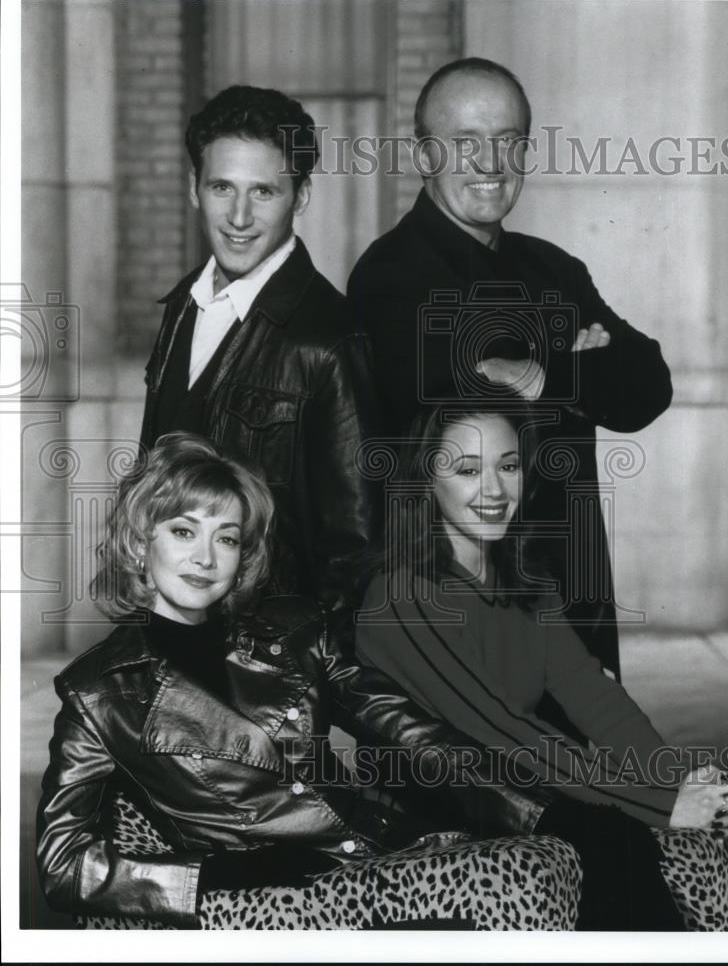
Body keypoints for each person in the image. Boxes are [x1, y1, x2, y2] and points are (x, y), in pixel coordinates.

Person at [36, 433, 600, 931]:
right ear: (141, 543)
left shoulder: (297, 630)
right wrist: (208, 876)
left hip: (376, 857)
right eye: (184, 531)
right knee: (522, 870)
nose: (205, 557)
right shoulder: (96, 693)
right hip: (272, 900)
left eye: (227, 538)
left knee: (555, 852)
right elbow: (62, 863)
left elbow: (412, 734)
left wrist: (535, 810)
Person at [355, 392, 728, 930]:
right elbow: (504, 733)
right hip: (437, 816)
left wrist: (683, 781)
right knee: (613, 839)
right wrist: (665, 804)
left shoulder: (525, 579)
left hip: (522, 791)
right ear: (425, 480)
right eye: (468, 470)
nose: (494, 490)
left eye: (508, 466)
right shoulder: (401, 595)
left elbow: (593, 695)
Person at [348, 57, 673, 690]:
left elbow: (647, 387)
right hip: (454, 622)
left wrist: (542, 374)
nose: (490, 162)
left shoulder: (555, 269)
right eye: (465, 142)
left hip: (571, 600)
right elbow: (462, 391)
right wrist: (575, 363)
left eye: (508, 140)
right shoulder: (387, 276)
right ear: (423, 155)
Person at [140, 85, 377, 613]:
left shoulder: (331, 338)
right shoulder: (181, 306)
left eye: (264, 192)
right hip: (171, 629)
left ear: (302, 196)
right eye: (223, 187)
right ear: (194, 188)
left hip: (270, 650)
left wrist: (300, 661)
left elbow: (355, 554)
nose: (239, 216)